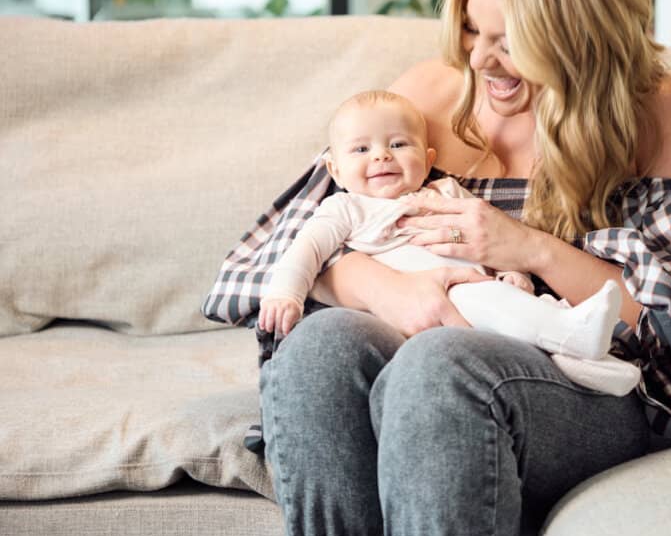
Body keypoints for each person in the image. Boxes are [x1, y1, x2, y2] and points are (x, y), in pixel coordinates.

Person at [240, 0, 671, 536]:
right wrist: (386, 287)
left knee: (439, 367)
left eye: (508, 40)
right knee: (319, 346)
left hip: (582, 385)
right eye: (470, 30)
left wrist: (526, 247)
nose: (480, 60)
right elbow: (287, 250)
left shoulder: (656, 111)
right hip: (421, 346)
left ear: (577, 33)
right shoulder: (428, 95)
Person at [258, 89, 641, 396]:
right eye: (361, 149)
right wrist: (285, 294)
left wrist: (512, 274)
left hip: (480, 295)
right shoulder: (346, 208)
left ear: (427, 161)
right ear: (334, 170)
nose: (381, 155)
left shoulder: (446, 192)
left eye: (398, 145)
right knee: (512, 313)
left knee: (520, 312)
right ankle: (575, 335)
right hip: (438, 307)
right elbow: (305, 250)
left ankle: (597, 368)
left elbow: (494, 242)